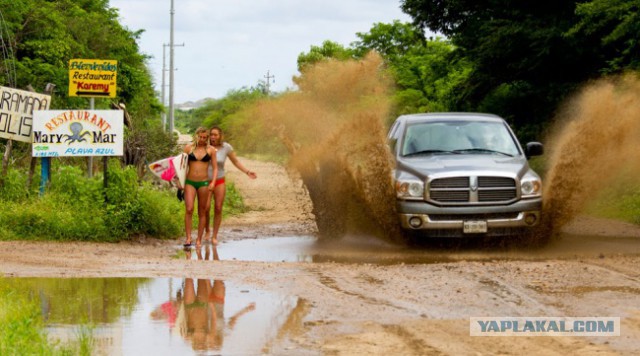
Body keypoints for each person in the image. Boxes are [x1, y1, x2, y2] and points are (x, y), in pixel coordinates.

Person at [205, 126, 257, 245]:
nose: (213, 137)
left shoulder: (226, 147)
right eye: (211, 135)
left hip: (219, 180)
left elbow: (236, 161)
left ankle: (214, 236)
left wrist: (247, 172)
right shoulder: (205, 146)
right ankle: (207, 230)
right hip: (205, 181)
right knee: (206, 208)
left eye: (215, 135)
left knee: (218, 207)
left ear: (220, 136)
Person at [182, 127, 217, 248]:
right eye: (200, 137)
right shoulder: (188, 148)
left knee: (202, 211)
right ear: (196, 136)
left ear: (207, 138)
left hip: (203, 183)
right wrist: (179, 182)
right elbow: (181, 166)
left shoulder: (211, 150)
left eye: (204, 137)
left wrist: (213, 182)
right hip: (190, 182)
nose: (202, 139)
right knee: (189, 209)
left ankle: (199, 239)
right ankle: (188, 238)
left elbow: (215, 168)